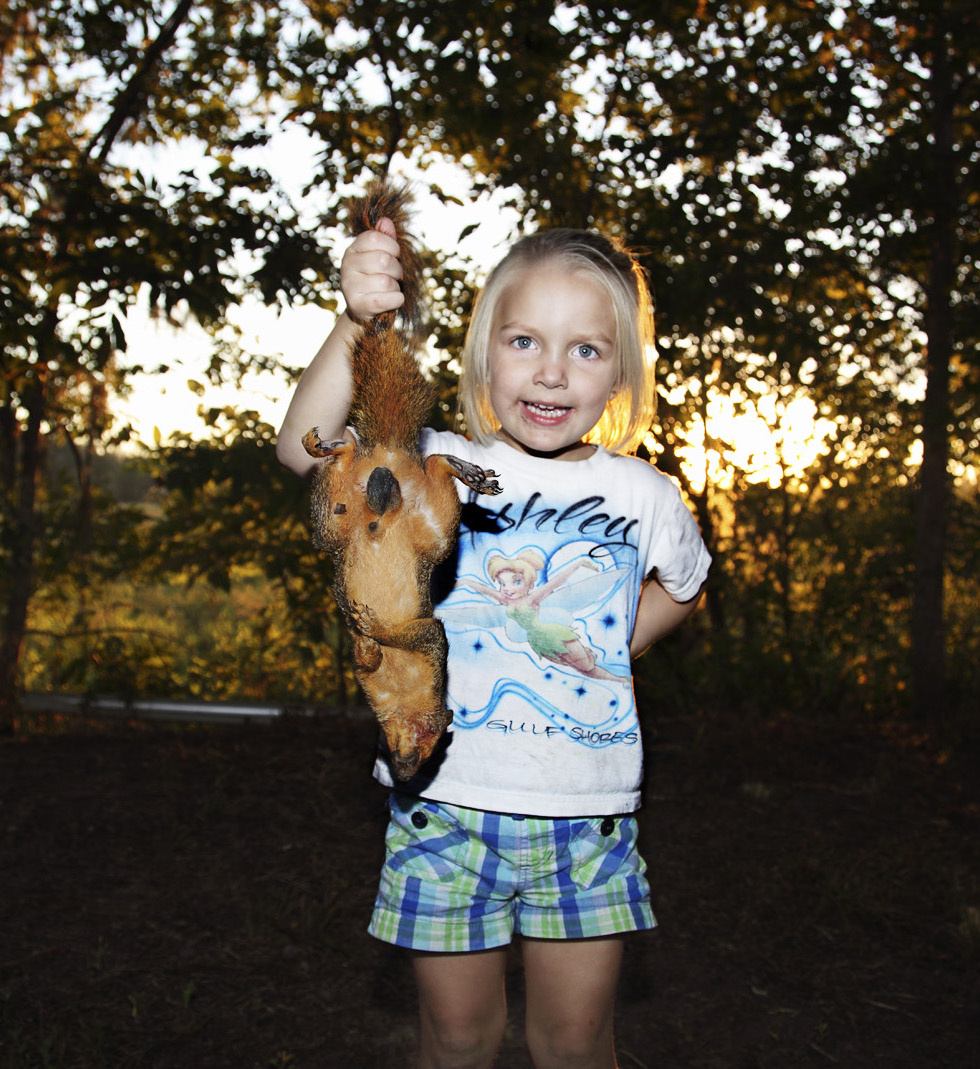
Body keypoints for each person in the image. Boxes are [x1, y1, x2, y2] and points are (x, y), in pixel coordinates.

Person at [277, 208, 710, 1069]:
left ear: (620, 369)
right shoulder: (431, 461)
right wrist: (356, 323)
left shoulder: (648, 493)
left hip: (586, 821)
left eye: (585, 349)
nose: (552, 373)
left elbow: (685, 587)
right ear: (484, 353)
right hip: (446, 804)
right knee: (460, 1039)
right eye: (524, 341)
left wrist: (601, 643)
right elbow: (302, 448)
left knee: (576, 1042)